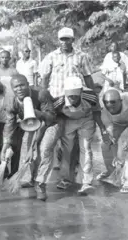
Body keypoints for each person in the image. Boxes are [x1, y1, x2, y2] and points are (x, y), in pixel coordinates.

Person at [0, 73, 55, 200]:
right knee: (26, 153)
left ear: (28, 85)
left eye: (22, 85)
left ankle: (40, 183)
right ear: (12, 89)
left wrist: (38, 113)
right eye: (16, 87)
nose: (19, 89)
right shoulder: (12, 102)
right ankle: (30, 179)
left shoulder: (41, 94)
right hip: (31, 124)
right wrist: (6, 144)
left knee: (44, 149)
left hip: (50, 124)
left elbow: (51, 118)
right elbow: (9, 125)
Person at [39, 27, 95, 176]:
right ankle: (53, 167)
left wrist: (94, 98)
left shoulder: (81, 56)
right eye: (62, 39)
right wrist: (44, 101)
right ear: (59, 41)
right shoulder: (51, 57)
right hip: (56, 102)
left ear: (72, 40)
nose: (64, 42)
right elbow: (44, 79)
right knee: (55, 136)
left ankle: (72, 168)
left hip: (75, 102)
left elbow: (88, 77)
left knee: (72, 139)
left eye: (67, 39)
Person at [53, 76, 107, 194]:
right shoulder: (58, 101)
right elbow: (54, 116)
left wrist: (103, 129)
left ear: (81, 92)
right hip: (68, 121)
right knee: (68, 149)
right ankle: (65, 178)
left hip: (86, 120)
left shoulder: (91, 96)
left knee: (86, 148)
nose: (72, 98)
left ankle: (86, 181)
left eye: (75, 95)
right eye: (69, 95)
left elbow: (97, 112)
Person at [98, 88, 128, 193]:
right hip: (116, 124)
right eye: (106, 102)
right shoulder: (103, 109)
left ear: (120, 100)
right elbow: (109, 129)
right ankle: (113, 173)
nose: (109, 104)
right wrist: (113, 141)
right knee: (105, 145)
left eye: (113, 102)